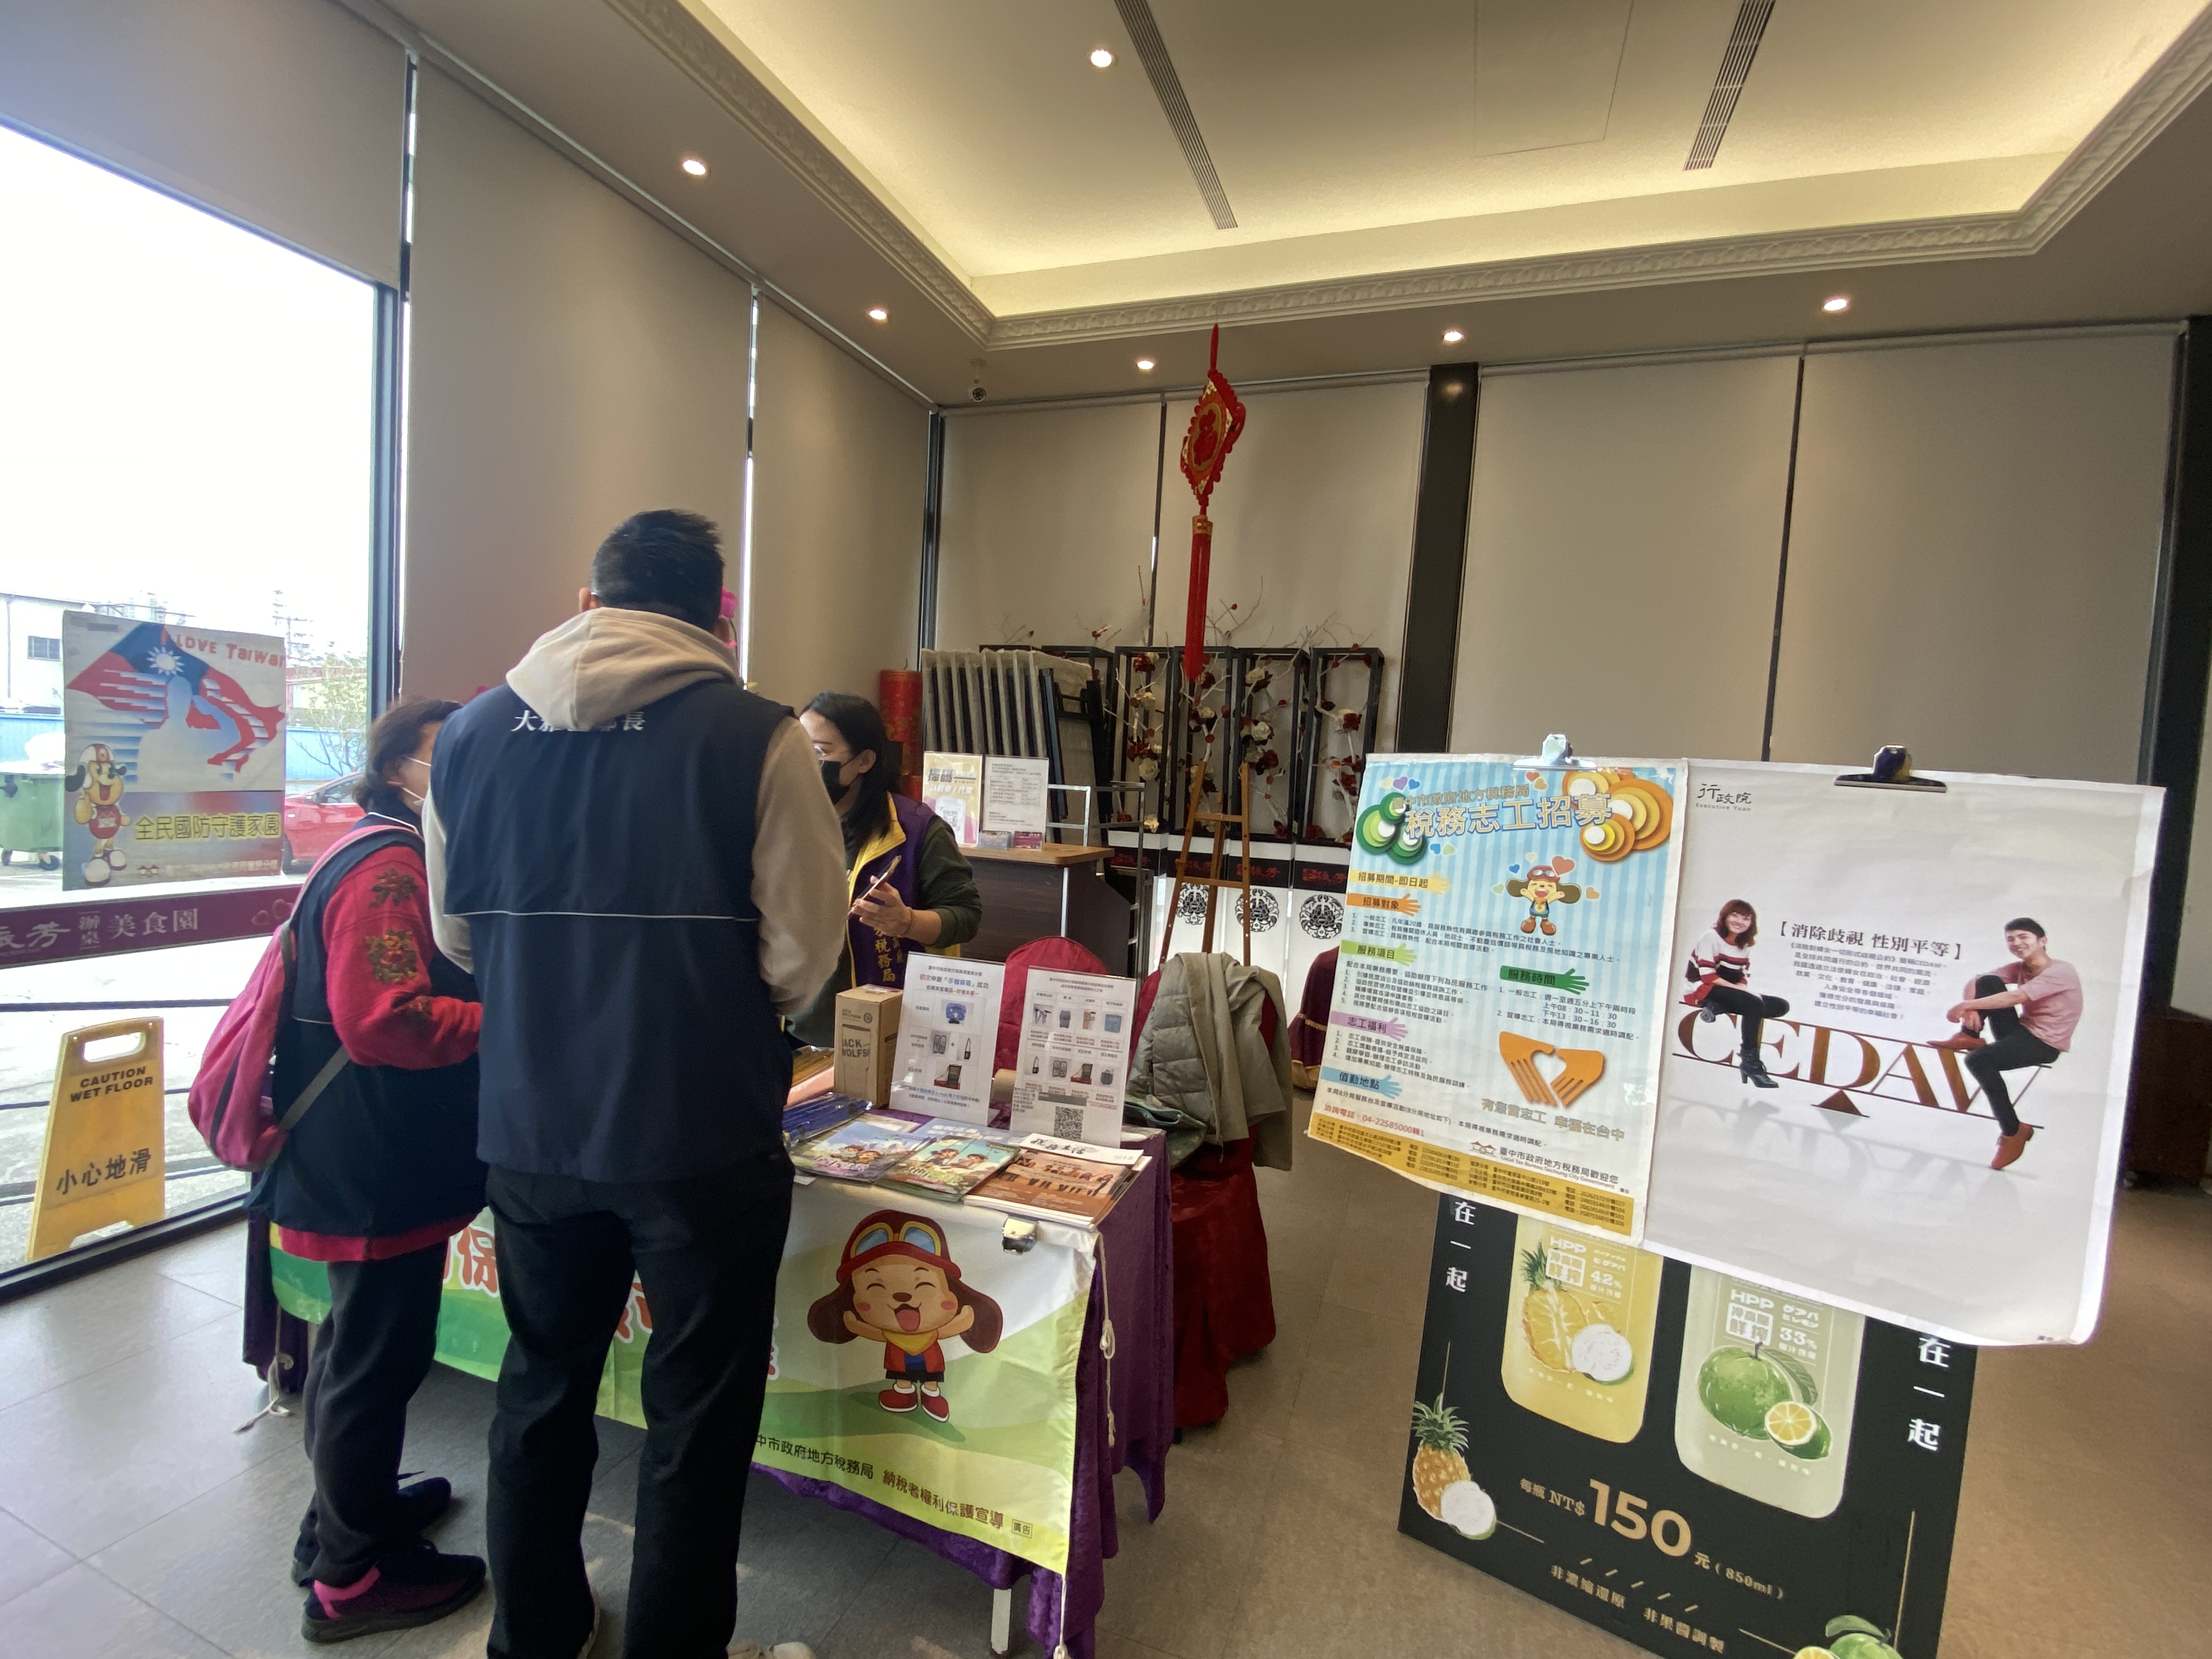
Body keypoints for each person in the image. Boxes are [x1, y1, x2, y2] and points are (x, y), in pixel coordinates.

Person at [425, 509, 844, 1659]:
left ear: (587, 600)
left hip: (530, 1125)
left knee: (539, 1386)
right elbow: (803, 956)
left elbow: (458, 937)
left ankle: (537, 1635)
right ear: (718, 616)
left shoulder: (469, 735)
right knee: (696, 1415)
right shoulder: (757, 737)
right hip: (700, 1130)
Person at [255, 697, 489, 1643]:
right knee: (372, 1359)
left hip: (367, 1147)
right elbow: (385, 1020)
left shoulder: (388, 849)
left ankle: (343, 1522)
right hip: (372, 1155)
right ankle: (350, 1581)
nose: (463, 772)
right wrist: (507, 1021)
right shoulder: (389, 867)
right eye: (444, 755)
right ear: (397, 770)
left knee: (360, 1346)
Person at [786, 692, 982, 1049]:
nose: (804, 763)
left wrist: (907, 922)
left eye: (818, 752)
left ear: (863, 761)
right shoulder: (787, 821)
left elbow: (966, 916)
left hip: (882, 1029)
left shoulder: (916, 830)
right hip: (793, 1026)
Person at [1934, 917, 2083, 1171]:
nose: (2016, 943)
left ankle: (2014, 1131)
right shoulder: (2021, 968)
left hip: (2044, 1044)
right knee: (1988, 982)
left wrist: (1967, 1005)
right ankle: (1970, 1036)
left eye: (2023, 937)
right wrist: (1971, 1012)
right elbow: (1977, 980)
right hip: (2021, 1032)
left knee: (1977, 1060)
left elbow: (2016, 997)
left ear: (2043, 941)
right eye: (2011, 939)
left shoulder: (2061, 971)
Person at [1683, 899, 1790, 1088]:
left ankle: (1717, 1007)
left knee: (1781, 1006)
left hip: (1725, 991)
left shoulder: (1744, 945)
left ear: (1751, 923)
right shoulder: (1710, 937)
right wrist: (1742, 992)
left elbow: (1742, 975)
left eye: (1745, 918)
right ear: (1725, 916)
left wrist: (1741, 987)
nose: (1739, 921)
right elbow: (1708, 976)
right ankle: (1750, 1063)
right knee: (1754, 1004)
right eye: (1735, 915)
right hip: (1702, 988)